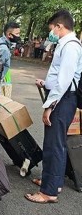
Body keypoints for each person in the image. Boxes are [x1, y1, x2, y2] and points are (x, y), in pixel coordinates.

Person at [26, 10, 82, 204]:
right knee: (55, 143)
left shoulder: (71, 46)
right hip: (62, 97)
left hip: (63, 99)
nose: (51, 33)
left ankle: (49, 191)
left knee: (54, 145)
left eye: (52, 29)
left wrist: (49, 106)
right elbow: (60, 76)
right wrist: (46, 84)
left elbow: (65, 80)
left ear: (59, 26)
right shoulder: (66, 44)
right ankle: (52, 181)